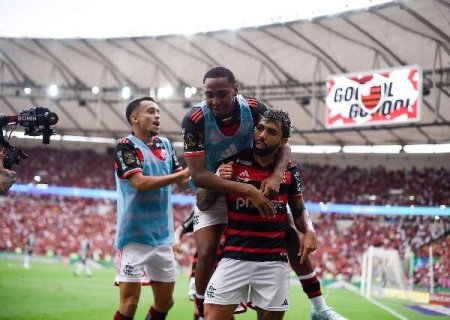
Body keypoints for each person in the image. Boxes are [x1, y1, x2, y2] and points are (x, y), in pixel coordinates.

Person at [182, 66, 290, 319]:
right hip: (213, 187)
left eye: (222, 94)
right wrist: (246, 190)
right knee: (207, 251)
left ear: (235, 90)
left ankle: (314, 302)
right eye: (210, 94)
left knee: (287, 234)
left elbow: (283, 144)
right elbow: (198, 176)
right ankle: (200, 305)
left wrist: (276, 176)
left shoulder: (253, 108)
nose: (215, 101)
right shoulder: (195, 119)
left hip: (251, 183)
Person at [203, 108, 301, 319]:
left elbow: (300, 211)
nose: (262, 135)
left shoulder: (290, 170)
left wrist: (309, 232)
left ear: (283, 141)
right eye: (260, 128)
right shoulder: (232, 162)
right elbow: (203, 202)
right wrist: (217, 178)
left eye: (271, 132)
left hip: (274, 262)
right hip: (234, 257)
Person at [113, 96, 191, 320]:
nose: (157, 115)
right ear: (134, 118)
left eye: (158, 111)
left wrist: (204, 172)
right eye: (150, 111)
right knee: (129, 304)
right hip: (133, 239)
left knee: (166, 302)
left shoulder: (165, 144)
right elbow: (139, 183)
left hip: (162, 238)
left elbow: (182, 182)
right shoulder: (125, 145)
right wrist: (180, 175)